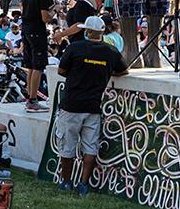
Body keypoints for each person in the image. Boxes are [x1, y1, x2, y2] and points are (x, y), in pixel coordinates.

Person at [55, 16, 129, 195]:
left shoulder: (75, 47)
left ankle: (66, 182)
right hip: (94, 105)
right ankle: (84, 184)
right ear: (102, 33)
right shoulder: (111, 51)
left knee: (67, 145)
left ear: (87, 31)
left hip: (71, 104)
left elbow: (61, 70)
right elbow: (123, 70)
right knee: (90, 146)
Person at [20, 0, 57, 113]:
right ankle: (33, 100)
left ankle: (30, 97)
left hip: (26, 30)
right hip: (37, 32)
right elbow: (45, 17)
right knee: (38, 67)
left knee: (30, 66)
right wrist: (54, 11)